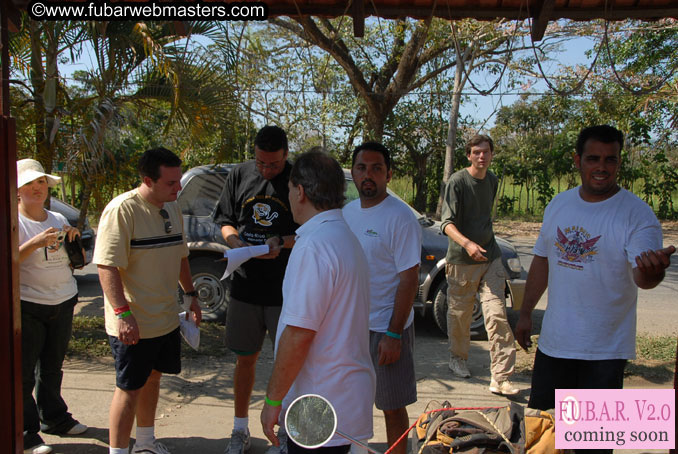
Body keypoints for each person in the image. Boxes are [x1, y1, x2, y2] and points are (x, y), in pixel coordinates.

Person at [515, 125, 675, 424]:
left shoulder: (637, 215)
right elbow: (542, 261)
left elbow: (643, 277)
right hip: (553, 345)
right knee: (544, 437)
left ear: (618, 162)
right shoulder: (558, 204)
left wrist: (653, 272)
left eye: (610, 159)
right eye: (593, 159)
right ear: (578, 161)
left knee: (592, 442)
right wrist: (525, 314)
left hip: (604, 352)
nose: (602, 167)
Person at [260, 150, 375, 454]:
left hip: (321, 405)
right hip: (343, 401)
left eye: (289, 189)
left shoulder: (314, 245)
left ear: (300, 192)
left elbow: (299, 334)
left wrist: (272, 400)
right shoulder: (343, 237)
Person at [94, 148, 202, 454]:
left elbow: (180, 255)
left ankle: (144, 443)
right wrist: (122, 313)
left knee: (153, 379)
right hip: (134, 323)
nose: (178, 188)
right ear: (147, 180)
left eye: (178, 180)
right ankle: (118, 452)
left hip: (166, 319)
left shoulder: (172, 207)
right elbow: (106, 266)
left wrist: (191, 294)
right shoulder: (122, 210)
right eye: (171, 183)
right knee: (128, 390)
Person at [215, 125, 298, 454]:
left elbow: (312, 230)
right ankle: (240, 429)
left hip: (285, 291)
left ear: (286, 156)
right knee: (244, 360)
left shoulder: (298, 179)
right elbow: (225, 219)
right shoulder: (239, 174)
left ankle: (288, 437)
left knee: (288, 365)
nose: (266, 170)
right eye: (261, 163)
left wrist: (282, 242)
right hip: (245, 287)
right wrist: (234, 241)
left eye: (274, 165)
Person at [342, 142, 420, 454]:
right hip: (352, 327)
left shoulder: (400, 217)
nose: (368, 175)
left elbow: (409, 279)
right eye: (361, 168)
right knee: (349, 399)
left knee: (391, 405)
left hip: (387, 327)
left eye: (376, 168)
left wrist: (393, 333)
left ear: (389, 174)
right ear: (353, 172)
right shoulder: (346, 213)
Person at [17, 159, 88, 454]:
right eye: (30, 184)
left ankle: (55, 418)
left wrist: (73, 241)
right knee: (22, 374)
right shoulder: (14, 221)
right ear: (17, 190)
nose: (37, 189)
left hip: (63, 299)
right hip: (29, 303)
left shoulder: (57, 217)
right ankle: (26, 433)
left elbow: (79, 262)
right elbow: (9, 261)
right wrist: (34, 243)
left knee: (52, 367)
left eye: (42, 183)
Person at [440, 134, 518, 396]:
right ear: (469, 155)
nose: (481, 157)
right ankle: (458, 358)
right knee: (460, 316)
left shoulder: (493, 180)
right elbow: (446, 223)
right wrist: (468, 245)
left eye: (485, 152)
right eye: (476, 152)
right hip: (462, 261)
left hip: (491, 257)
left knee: (497, 314)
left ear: (492, 154)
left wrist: (482, 246)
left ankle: (501, 377)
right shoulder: (458, 182)